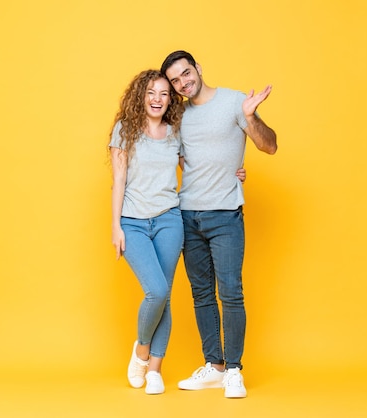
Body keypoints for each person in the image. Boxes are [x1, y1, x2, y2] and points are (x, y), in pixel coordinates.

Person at [160, 50, 278, 398]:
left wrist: (250, 117)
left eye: (185, 73)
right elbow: (180, 160)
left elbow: (269, 146)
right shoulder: (179, 115)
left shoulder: (235, 102)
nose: (183, 83)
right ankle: (214, 366)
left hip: (225, 214)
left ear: (198, 68)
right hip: (187, 214)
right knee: (201, 294)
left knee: (230, 292)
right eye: (176, 81)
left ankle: (235, 370)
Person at [109, 69, 185, 395]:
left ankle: (155, 370)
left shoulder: (175, 133)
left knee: (165, 293)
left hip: (169, 219)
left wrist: (233, 172)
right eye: (151, 92)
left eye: (164, 93)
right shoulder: (124, 130)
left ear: (171, 100)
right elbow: (119, 181)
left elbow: (197, 169)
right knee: (156, 289)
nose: (157, 99)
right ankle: (142, 350)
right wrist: (115, 226)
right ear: (141, 96)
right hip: (133, 222)